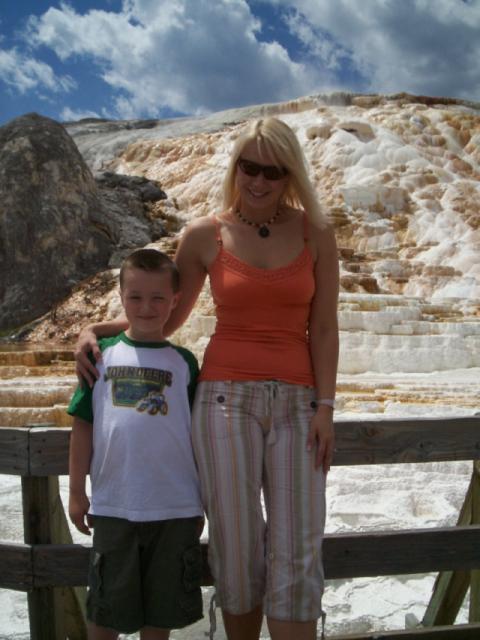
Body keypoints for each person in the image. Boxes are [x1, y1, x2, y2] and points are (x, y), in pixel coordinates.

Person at [75, 117, 339, 640]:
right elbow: (164, 317)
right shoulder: (205, 234)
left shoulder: (317, 231)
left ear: (291, 174)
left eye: (273, 170)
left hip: (299, 403)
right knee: (235, 543)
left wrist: (327, 407)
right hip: (223, 402)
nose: (259, 181)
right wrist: (95, 328)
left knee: (297, 543)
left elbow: (326, 325)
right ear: (235, 166)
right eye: (249, 167)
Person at [68, 248, 204, 640]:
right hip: (114, 506)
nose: (147, 307)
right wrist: (77, 493)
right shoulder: (100, 356)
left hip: (175, 506)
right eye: (136, 297)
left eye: (158, 298)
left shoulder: (184, 363)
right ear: (121, 298)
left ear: (175, 301)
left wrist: (201, 501)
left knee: (158, 617)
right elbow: (82, 427)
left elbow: (195, 435)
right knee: (105, 612)